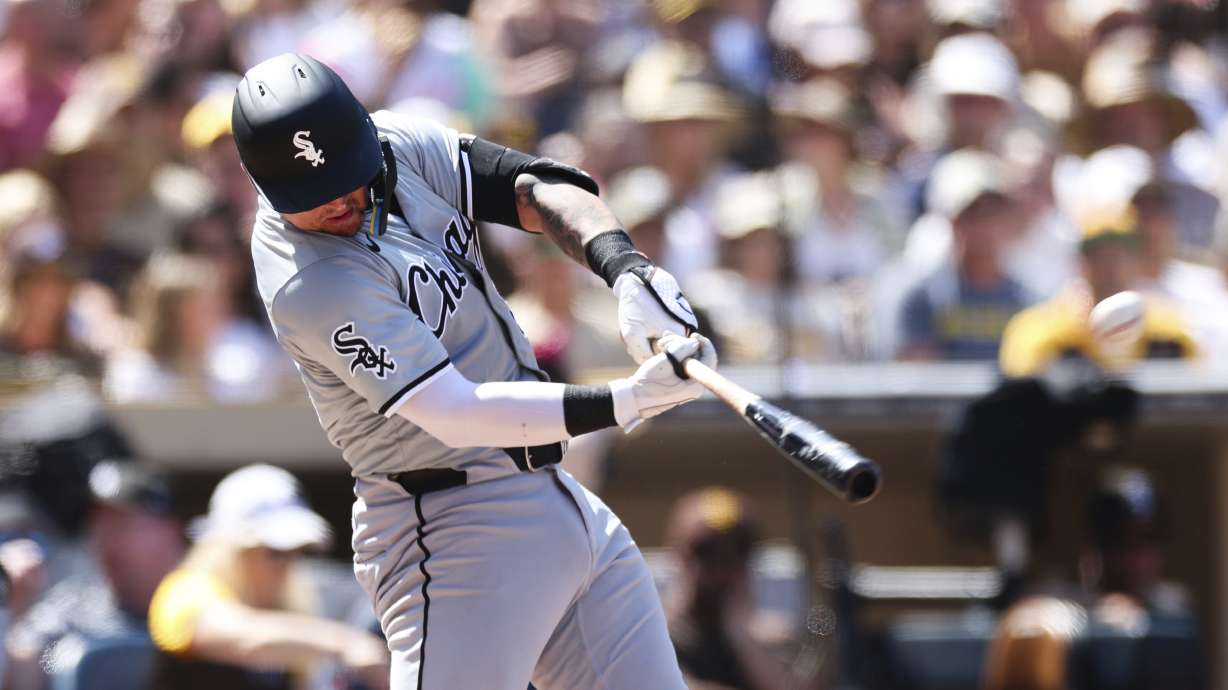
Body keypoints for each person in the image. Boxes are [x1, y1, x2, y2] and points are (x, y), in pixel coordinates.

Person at [233, 54, 716, 690]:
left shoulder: (396, 143)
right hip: (450, 528)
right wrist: (624, 401)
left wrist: (625, 267)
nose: (343, 201)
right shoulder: (309, 281)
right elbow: (456, 412)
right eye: (315, 198)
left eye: (349, 176)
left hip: (557, 502)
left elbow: (533, 188)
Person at [147, 463, 389, 690]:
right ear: (228, 551)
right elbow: (241, 635)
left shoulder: (286, 612)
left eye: (294, 553)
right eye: (273, 552)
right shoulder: (185, 590)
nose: (285, 566)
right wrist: (346, 644)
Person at [4, 460, 186, 690]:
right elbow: (30, 670)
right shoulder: (74, 610)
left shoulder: (211, 598)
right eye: (99, 525)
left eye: (123, 523)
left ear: (169, 531)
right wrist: (14, 609)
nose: (107, 540)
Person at [999, 206, 1197, 377]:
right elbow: (1018, 390)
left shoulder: (1169, 332)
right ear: (1081, 263)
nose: (1111, 266)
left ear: (1137, 259)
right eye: (1099, 255)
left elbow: (1197, 401)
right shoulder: (1041, 329)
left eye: (1121, 253)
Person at [664, 487, 807, 690]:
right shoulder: (654, 633)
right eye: (706, 552)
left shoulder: (774, 638)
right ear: (679, 555)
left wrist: (742, 636)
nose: (723, 567)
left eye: (739, 551)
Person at [894, 149, 1031, 361]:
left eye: (995, 211)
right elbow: (917, 377)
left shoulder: (1029, 300)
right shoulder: (922, 298)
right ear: (952, 222)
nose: (987, 225)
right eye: (973, 214)